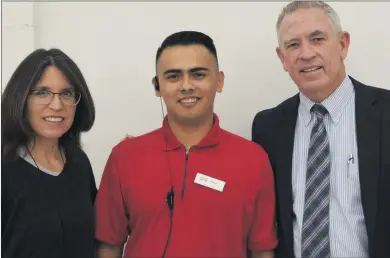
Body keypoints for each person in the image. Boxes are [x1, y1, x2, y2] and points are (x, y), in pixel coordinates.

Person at [95, 31, 277, 258]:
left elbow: (262, 251)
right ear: (157, 85)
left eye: (198, 74)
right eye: (173, 76)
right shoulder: (124, 158)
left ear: (219, 81)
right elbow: (109, 246)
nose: (187, 86)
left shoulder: (253, 159)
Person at [252, 1, 390, 258]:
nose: (306, 54)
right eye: (293, 45)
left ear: (342, 44)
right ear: (282, 58)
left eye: (317, 39)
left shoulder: (385, 112)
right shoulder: (267, 127)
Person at [2, 48, 97, 258]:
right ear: (21, 98)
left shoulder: (78, 161)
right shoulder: (5, 170)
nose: (57, 105)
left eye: (67, 93)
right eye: (42, 92)